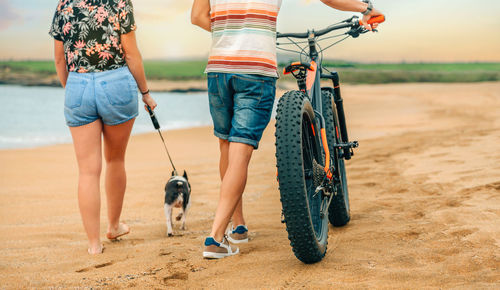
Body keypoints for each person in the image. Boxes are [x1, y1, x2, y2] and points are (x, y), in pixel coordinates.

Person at [191, 0, 383, 259]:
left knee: (226, 145)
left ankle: (238, 228)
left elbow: (198, 16)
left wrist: (232, 32)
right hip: (255, 70)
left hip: (219, 69)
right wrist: (364, 8)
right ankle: (214, 238)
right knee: (240, 150)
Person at [49, 0, 157, 255]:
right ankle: (114, 226)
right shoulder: (119, 2)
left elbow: (59, 60)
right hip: (117, 83)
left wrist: (74, 89)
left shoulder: (64, 5)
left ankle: (93, 245)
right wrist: (146, 93)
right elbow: (131, 53)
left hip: (78, 83)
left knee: (87, 171)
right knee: (115, 160)